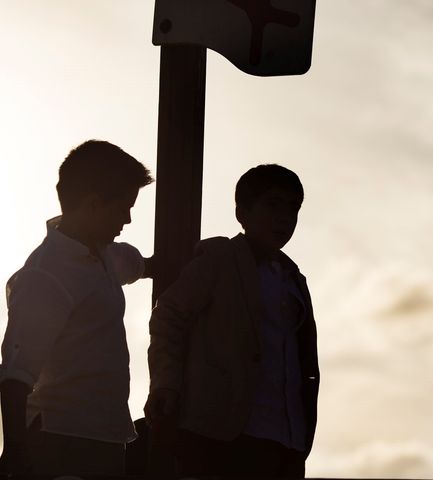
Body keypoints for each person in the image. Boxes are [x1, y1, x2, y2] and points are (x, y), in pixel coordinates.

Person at [145, 164, 320, 478]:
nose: (285, 217)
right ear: (243, 212)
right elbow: (168, 317)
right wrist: (166, 385)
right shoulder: (219, 259)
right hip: (224, 434)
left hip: (287, 439)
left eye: (293, 208)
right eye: (273, 204)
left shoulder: (294, 278)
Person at [0, 140, 154, 476]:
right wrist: (14, 454)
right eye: (124, 207)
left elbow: (142, 264)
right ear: (93, 204)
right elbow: (15, 376)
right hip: (62, 444)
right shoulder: (46, 277)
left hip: (104, 440)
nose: (128, 219)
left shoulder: (104, 256)